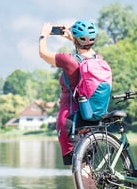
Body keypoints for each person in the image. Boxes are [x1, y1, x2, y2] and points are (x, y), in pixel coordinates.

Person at [38, 19, 102, 166]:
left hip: (71, 119)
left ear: (75, 39)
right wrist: (73, 38)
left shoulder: (69, 60)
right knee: (88, 165)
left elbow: (43, 53)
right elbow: (86, 51)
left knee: (79, 167)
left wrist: (43, 35)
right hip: (92, 117)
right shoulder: (98, 59)